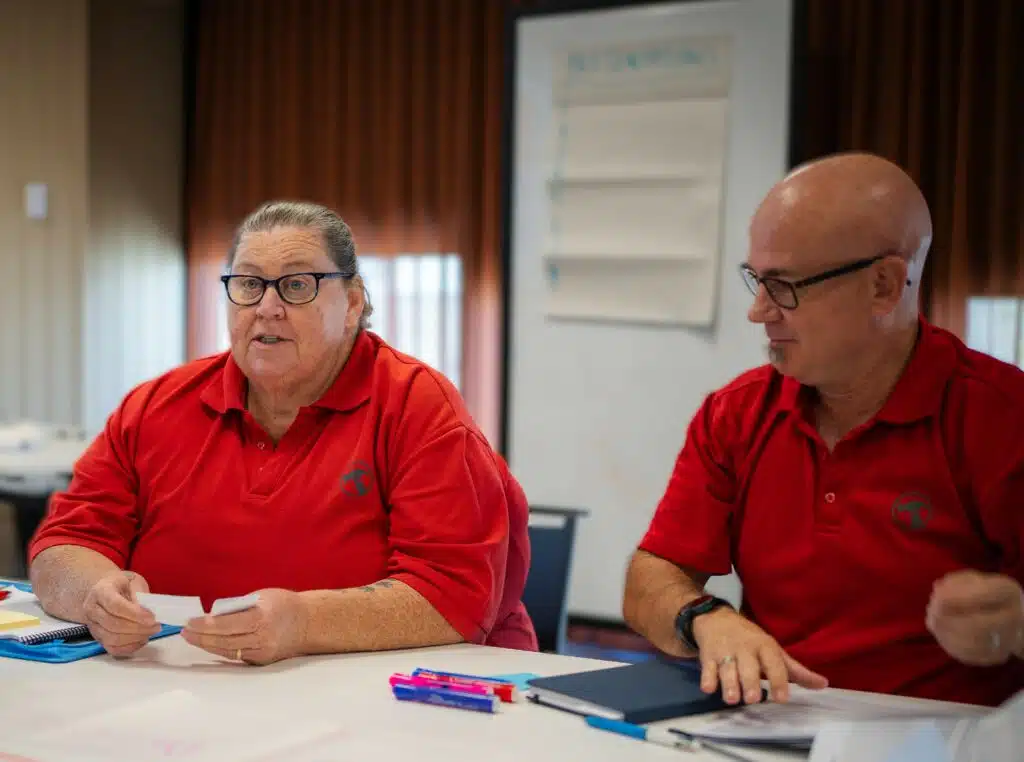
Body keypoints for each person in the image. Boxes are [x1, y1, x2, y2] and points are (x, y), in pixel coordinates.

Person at [29, 200, 537, 664]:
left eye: (297, 285)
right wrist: (94, 593)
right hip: (184, 689)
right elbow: (64, 544)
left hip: (392, 696)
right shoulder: (157, 406)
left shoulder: (418, 407)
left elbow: (454, 596)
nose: (267, 307)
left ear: (354, 302)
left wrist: (304, 622)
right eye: (248, 284)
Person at [623, 152, 1024, 708]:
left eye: (785, 286)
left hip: (944, 737)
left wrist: (1017, 625)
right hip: (770, 727)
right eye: (756, 281)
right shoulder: (736, 414)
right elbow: (650, 577)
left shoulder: (1002, 418)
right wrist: (705, 617)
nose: (760, 311)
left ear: (884, 285)